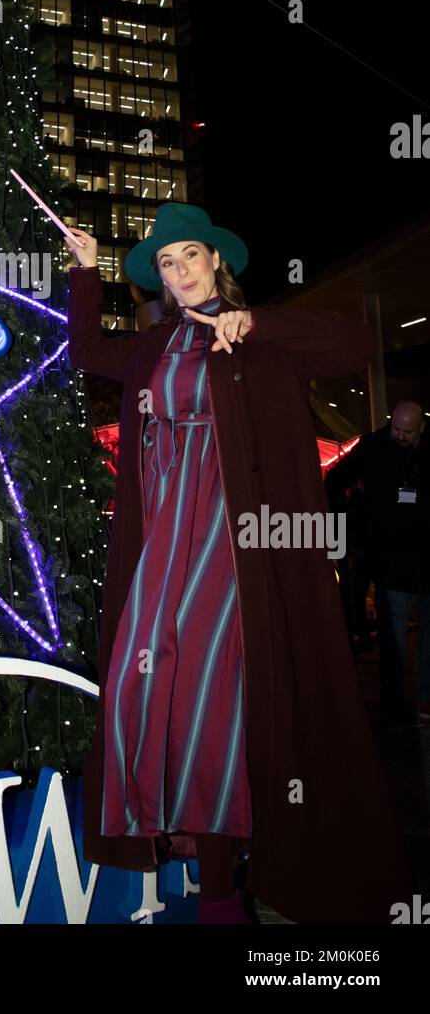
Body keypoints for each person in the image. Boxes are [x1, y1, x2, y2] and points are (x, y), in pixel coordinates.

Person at [66, 201, 411, 924]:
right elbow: (89, 354)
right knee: (140, 681)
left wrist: (259, 323)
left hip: (235, 547)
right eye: (165, 262)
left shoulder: (255, 334)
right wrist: (83, 269)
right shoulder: (154, 347)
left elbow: (354, 342)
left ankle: (222, 890)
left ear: (216, 261)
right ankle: (194, 850)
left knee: (209, 698)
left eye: (189, 254)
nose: (179, 269)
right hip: (162, 546)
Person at [324, 401, 430, 728]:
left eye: (407, 431)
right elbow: (334, 481)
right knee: (393, 640)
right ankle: (393, 705)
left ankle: (422, 703)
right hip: (390, 559)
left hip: (423, 558)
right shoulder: (373, 446)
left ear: (421, 428)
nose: (399, 435)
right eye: (396, 428)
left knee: (420, 640)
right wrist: (348, 524)